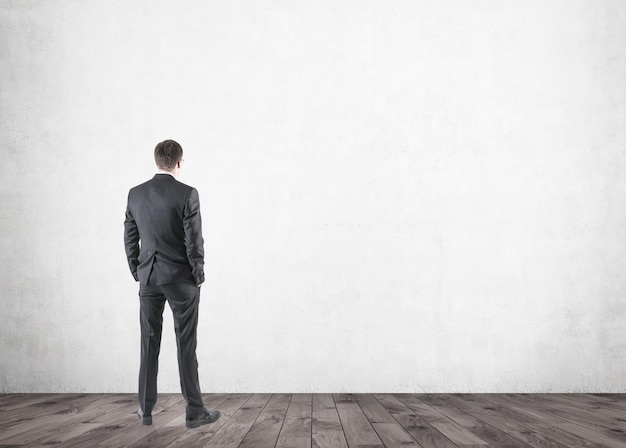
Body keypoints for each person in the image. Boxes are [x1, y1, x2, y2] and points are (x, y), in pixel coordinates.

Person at [123, 139, 220, 429]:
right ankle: (194, 411)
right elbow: (194, 239)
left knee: (148, 343)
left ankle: (145, 409)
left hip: (148, 278)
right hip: (181, 279)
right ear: (179, 163)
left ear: (157, 161)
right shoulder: (187, 193)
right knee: (186, 345)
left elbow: (130, 237)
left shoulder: (135, 194)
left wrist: (137, 270)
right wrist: (198, 273)